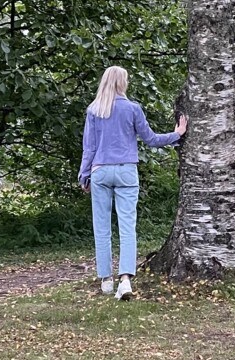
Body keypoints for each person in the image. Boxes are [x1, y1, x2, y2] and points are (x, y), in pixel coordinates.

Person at [78, 66, 186, 300]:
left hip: (100, 171)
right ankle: (125, 279)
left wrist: (83, 175)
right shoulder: (132, 109)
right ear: (122, 83)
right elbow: (150, 139)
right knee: (127, 227)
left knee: (102, 227)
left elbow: (89, 147)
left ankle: (105, 279)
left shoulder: (94, 110)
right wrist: (177, 134)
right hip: (127, 170)